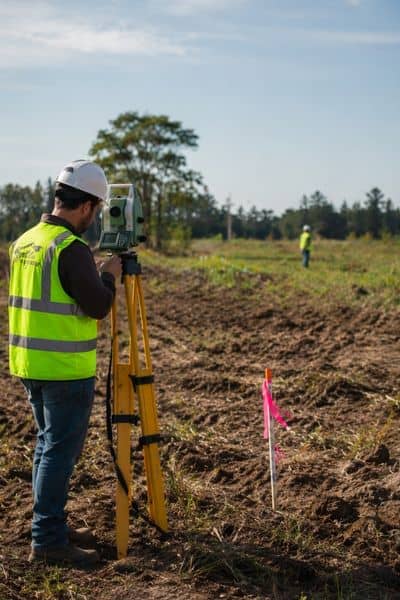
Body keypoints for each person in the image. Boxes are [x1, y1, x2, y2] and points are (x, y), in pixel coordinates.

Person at [8, 160, 122, 566]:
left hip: (29, 364)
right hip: (64, 370)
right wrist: (108, 275)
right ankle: (48, 540)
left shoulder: (24, 241)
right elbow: (97, 306)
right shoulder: (69, 248)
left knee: (45, 446)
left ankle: (49, 524)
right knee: (57, 452)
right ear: (88, 206)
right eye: (98, 210)